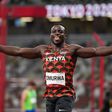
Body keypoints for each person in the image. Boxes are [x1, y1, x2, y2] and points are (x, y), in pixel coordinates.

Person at [1, 24, 112, 112]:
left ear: (65, 35)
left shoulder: (72, 50)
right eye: (54, 31)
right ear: (50, 35)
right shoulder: (43, 50)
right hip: (50, 96)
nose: (57, 33)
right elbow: (19, 51)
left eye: (60, 31)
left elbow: (96, 51)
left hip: (65, 95)